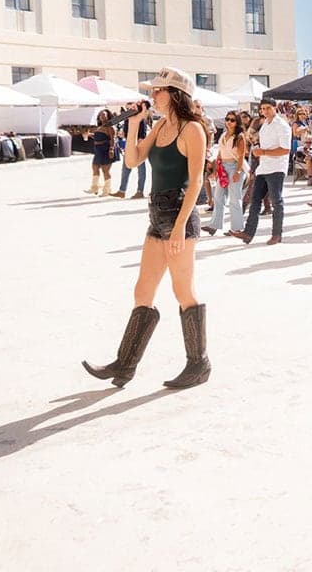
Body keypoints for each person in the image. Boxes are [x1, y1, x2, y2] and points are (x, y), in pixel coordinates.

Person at [82, 66, 210, 389]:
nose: (152, 95)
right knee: (143, 290)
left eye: (157, 90)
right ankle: (124, 365)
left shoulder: (192, 130)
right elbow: (132, 160)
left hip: (179, 214)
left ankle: (199, 364)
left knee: (183, 291)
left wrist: (181, 225)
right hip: (157, 214)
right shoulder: (161, 126)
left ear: (175, 95)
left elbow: (196, 181)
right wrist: (135, 125)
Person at [232, 97, 290, 245]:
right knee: (255, 200)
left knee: (276, 201)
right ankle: (248, 233)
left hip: (276, 168)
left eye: (268, 108)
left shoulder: (282, 125)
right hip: (263, 168)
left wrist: (263, 152)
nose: (265, 111)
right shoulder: (264, 125)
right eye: (262, 109)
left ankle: (277, 234)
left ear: (275, 107)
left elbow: (285, 149)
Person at [203, 112, 246, 236]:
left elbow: (242, 155)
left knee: (234, 198)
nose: (229, 122)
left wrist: (238, 171)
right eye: (227, 119)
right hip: (224, 167)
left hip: (235, 166)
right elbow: (220, 153)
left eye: (232, 120)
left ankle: (237, 228)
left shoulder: (239, 136)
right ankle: (214, 225)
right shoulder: (223, 135)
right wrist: (216, 169)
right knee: (218, 196)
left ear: (237, 122)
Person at [112, 100, 150, 199]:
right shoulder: (127, 119)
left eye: (131, 108)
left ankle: (140, 191)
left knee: (141, 170)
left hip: (138, 146)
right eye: (128, 108)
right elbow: (125, 134)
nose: (129, 110)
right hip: (129, 145)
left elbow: (142, 134)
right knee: (125, 169)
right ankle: (122, 191)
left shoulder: (141, 119)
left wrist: (139, 147)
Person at [84, 109, 117, 196]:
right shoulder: (100, 126)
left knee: (105, 170)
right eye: (101, 115)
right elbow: (98, 136)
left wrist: (111, 149)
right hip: (98, 150)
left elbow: (113, 138)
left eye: (104, 115)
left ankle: (107, 190)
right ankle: (94, 187)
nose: (102, 116)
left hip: (106, 149)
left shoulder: (110, 126)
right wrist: (91, 135)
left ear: (108, 116)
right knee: (95, 167)